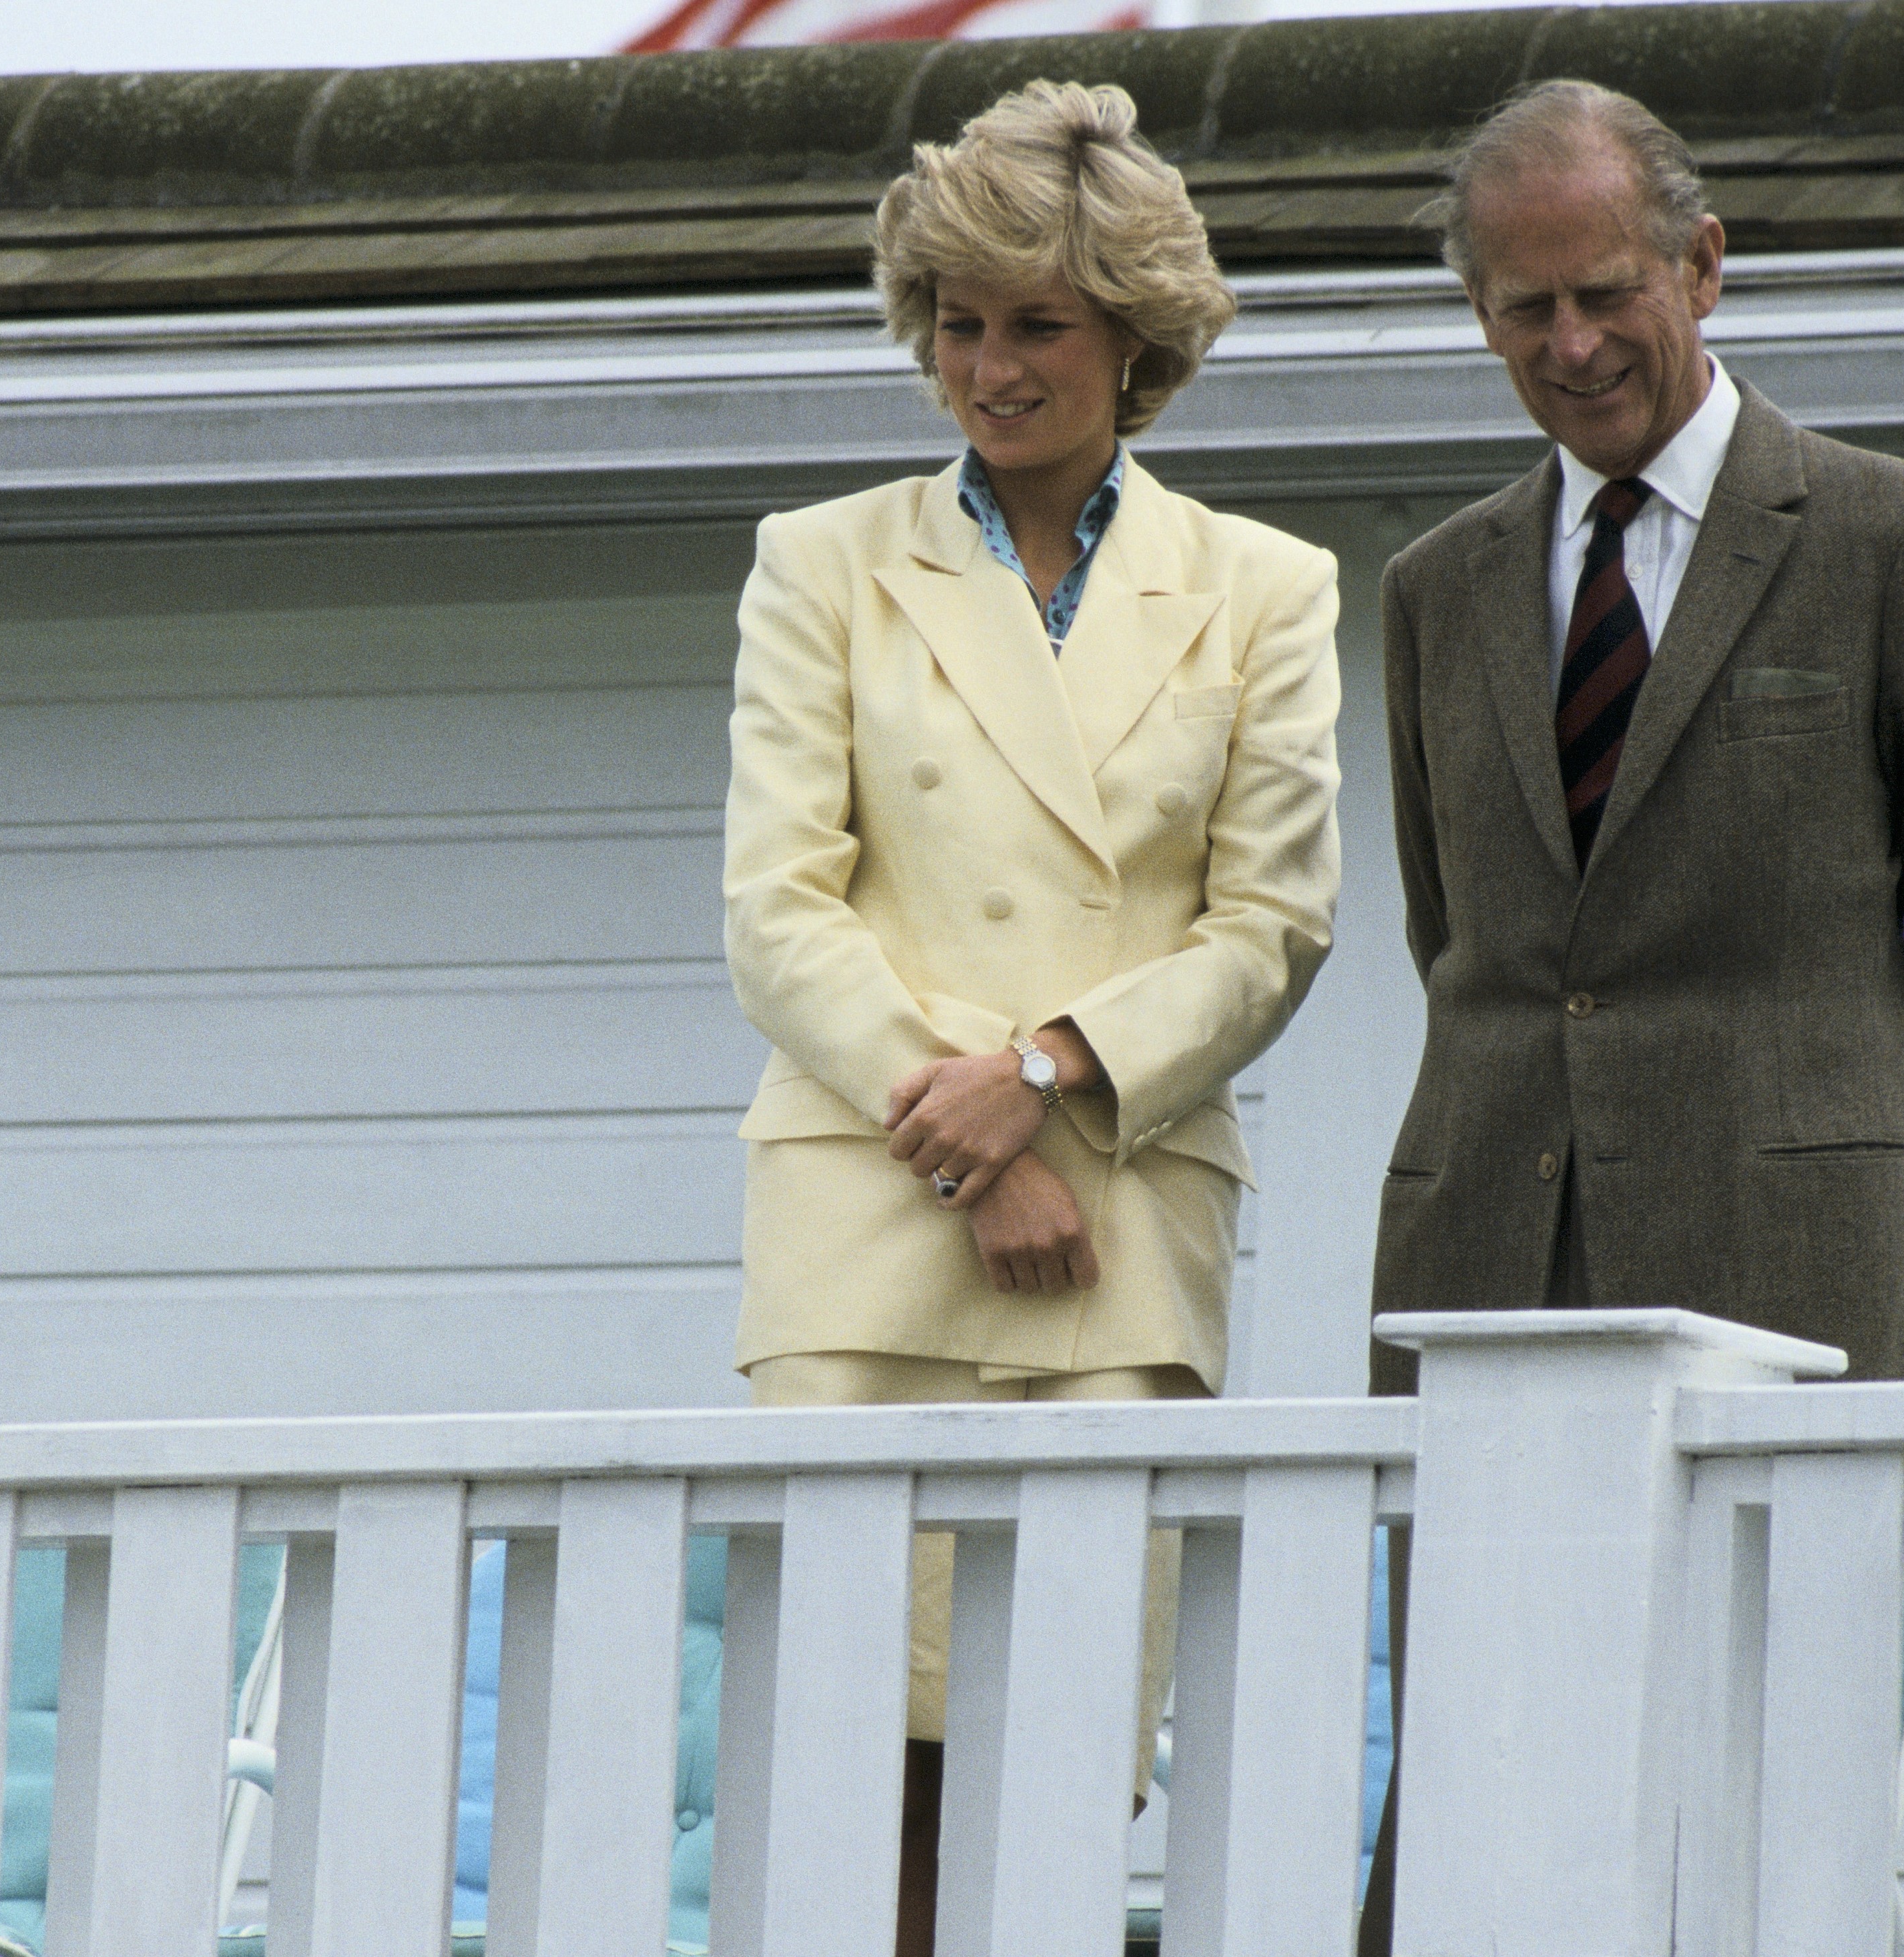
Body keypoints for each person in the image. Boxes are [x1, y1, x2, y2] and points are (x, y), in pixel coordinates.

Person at [1356, 80, 1904, 1953]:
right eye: (1525, 311)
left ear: (1703, 263)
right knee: (1488, 1799)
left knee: (1771, 1810)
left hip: (1792, 1272)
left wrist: (1808, 1108)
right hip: (1484, 1260)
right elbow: (1475, 938)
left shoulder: (1903, 540)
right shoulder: (1434, 594)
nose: (1573, 345)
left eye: (1605, 292)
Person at [720, 78, 1341, 1957]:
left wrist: (1049, 1077)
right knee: (856, 1771)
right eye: (958, 321)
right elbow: (776, 910)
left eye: (1039, 323)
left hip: (1121, 1227)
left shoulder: (1263, 588)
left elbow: (1275, 925)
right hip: (867, 1235)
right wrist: (962, 1133)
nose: (990, 366)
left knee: (1059, 1763)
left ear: (1136, 339)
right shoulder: (820, 564)